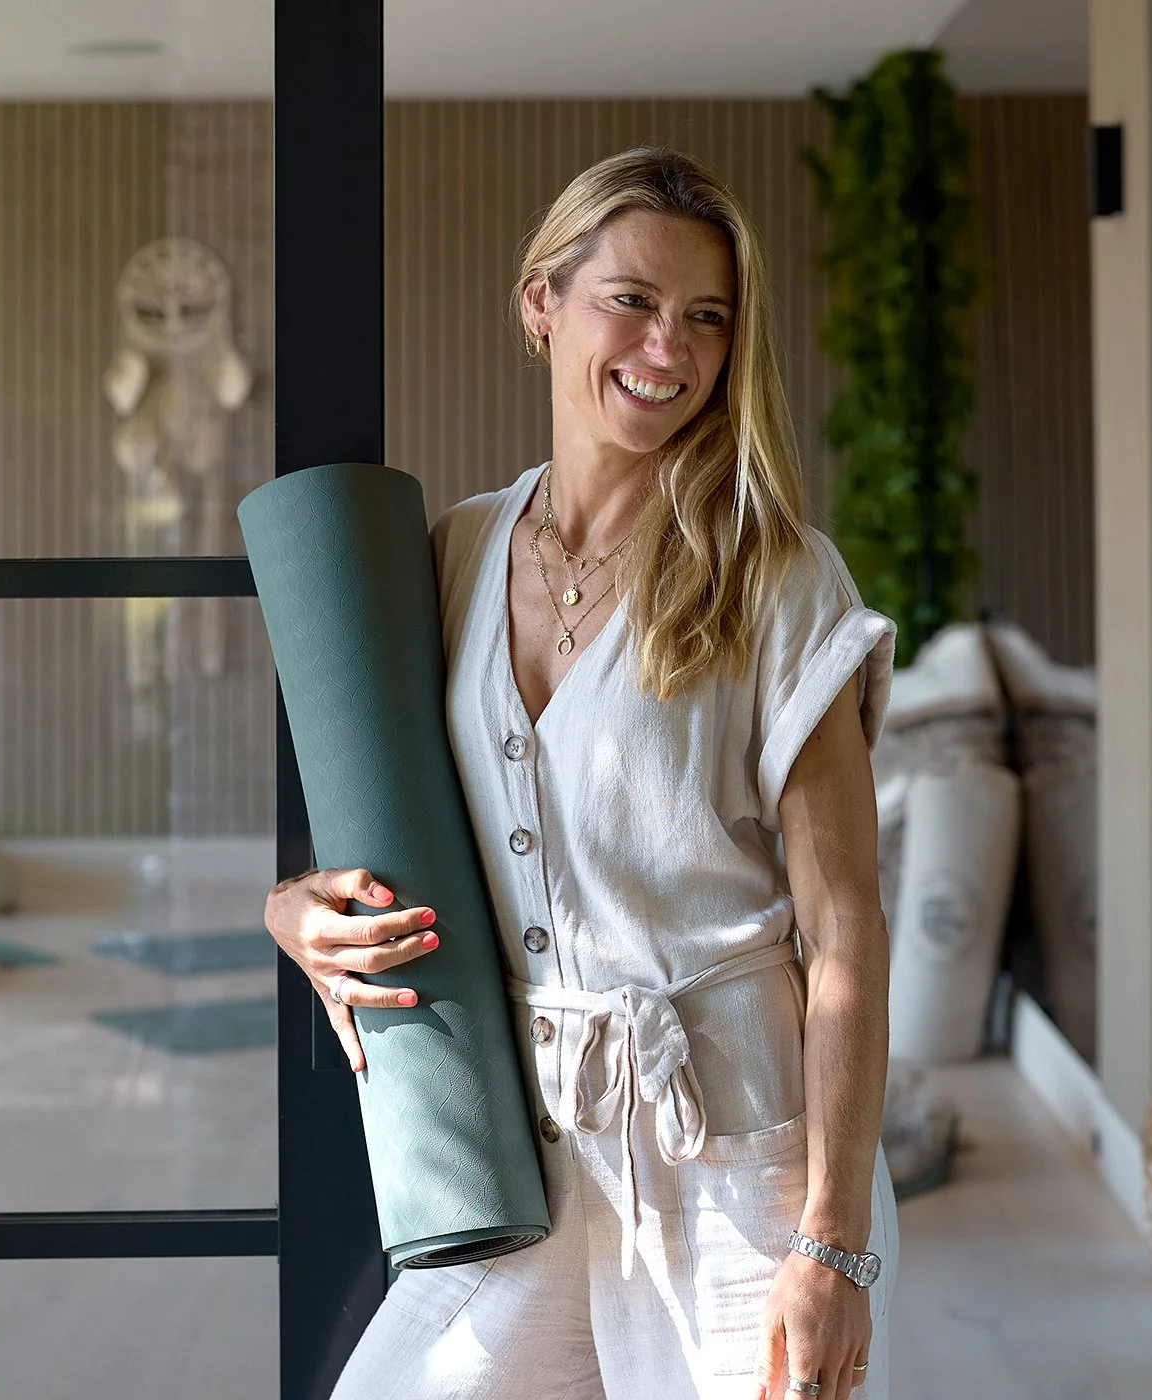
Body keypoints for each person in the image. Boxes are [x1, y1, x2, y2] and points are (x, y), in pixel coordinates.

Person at [263, 147, 896, 1400]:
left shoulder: (776, 575)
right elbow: (389, 810)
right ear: (540, 303)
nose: (670, 346)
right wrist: (296, 909)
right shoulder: (454, 551)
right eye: (633, 300)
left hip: (740, 1162)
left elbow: (846, 926)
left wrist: (831, 1241)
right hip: (526, 1151)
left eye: (707, 317)